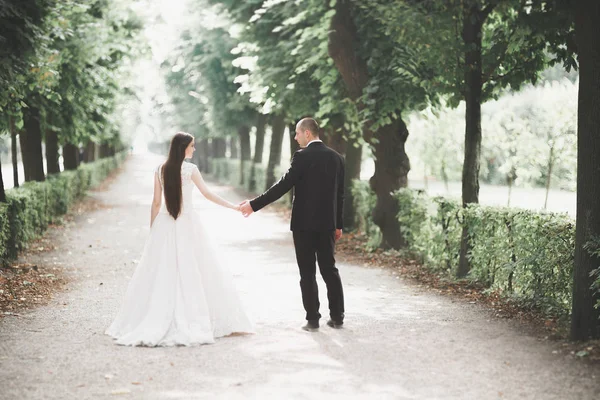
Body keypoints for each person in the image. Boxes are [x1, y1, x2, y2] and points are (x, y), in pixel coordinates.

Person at [106, 132, 254, 346]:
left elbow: (156, 203)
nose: (194, 149)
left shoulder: (160, 170)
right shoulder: (190, 170)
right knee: (192, 269)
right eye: (192, 146)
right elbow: (208, 194)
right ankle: (193, 316)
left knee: (162, 273)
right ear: (183, 147)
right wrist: (233, 207)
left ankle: (156, 316)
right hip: (187, 224)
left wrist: (153, 229)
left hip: (164, 224)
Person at [239, 117, 345, 332]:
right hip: (327, 224)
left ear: (307, 133)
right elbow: (340, 195)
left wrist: (253, 205)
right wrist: (338, 224)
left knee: (307, 272)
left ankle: (313, 319)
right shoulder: (337, 158)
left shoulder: (302, 156)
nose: (295, 137)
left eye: (297, 133)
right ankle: (337, 316)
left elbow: (283, 185)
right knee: (329, 269)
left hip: (304, 225)